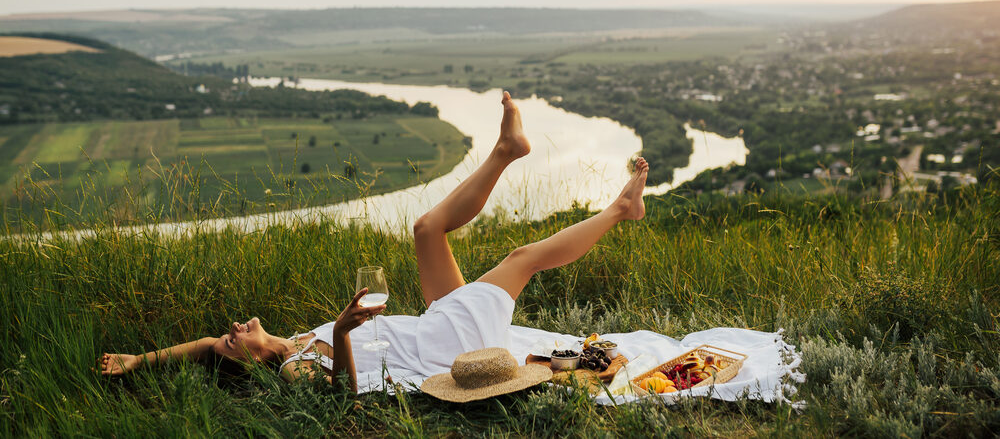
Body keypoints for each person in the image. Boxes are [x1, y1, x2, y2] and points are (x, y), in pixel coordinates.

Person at [99, 91, 649, 393]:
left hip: (425, 327)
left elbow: (200, 349)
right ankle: (622, 210)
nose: (233, 328)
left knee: (425, 229)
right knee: (521, 259)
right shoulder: (293, 367)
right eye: (232, 339)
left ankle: (506, 151)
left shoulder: (289, 342)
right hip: (443, 348)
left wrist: (139, 359)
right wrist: (339, 333)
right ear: (249, 358)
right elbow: (341, 393)